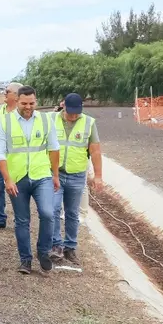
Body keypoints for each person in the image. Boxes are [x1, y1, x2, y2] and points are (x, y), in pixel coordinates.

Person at [0, 86, 60, 275]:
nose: (28, 107)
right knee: (22, 220)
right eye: (24, 103)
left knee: (48, 213)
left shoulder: (46, 120)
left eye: (32, 103)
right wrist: (7, 179)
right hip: (17, 178)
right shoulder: (5, 121)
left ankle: (43, 251)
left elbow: (54, 148)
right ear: (17, 101)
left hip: (41, 175)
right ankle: (25, 260)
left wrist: (55, 175)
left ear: (36, 102)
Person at [50, 93, 104, 267]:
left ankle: (70, 247)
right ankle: (56, 245)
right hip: (54, 174)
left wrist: (98, 176)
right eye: (70, 112)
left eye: (77, 112)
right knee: (53, 210)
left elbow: (95, 151)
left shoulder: (88, 123)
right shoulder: (51, 119)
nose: (73, 116)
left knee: (72, 213)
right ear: (63, 105)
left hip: (77, 175)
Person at [0, 81, 22, 229]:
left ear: (15, 96)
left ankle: (19, 219)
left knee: (16, 189)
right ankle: (0, 218)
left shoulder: (21, 112)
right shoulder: (0, 109)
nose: (4, 92)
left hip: (14, 159)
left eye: (7, 91)